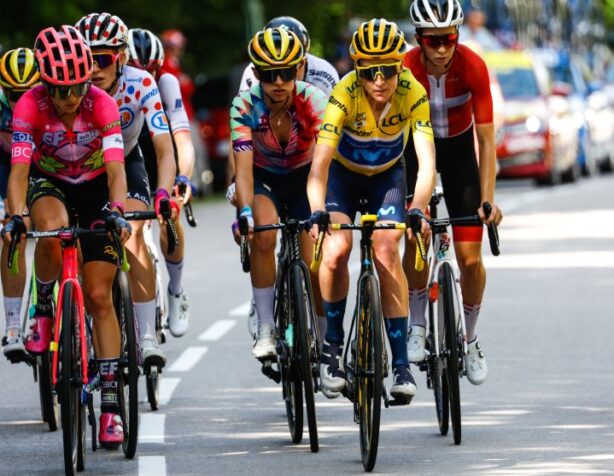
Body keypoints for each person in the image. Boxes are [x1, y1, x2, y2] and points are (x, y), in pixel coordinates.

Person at [3, 25, 131, 447]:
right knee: (53, 231)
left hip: (96, 186)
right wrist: (17, 215)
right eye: (59, 89)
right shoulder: (29, 106)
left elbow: (116, 170)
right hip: (50, 182)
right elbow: (19, 173)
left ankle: (111, 404)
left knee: (98, 296)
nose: (70, 97)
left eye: (77, 85)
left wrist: (117, 211)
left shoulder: (103, 104)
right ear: (45, 83)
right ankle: (43, 305)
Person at [307, 18, 436, 402]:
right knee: (335, 251)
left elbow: (426, 163)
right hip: (342, 180)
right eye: (368, 72)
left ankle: (400, 365)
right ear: (357, 71)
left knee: (385, 249)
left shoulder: (413, 91)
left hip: (387, 179)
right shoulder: (343, 95)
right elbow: (319, 167)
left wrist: (419, 206)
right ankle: (332, 348)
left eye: (388, 71)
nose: (379, 80)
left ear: (401, 66)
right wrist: (317, 211)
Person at [405, 0, 503, 385]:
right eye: (433, 40)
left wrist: (489, 199)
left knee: (470, 260)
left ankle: (471, 337)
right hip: (418, 152)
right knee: (414, 239)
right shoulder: (405, 69)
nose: (442, 48)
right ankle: (417, 325)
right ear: (419, 39)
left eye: (448, 39)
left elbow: (487, 139)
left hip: (462, 154)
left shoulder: (473, 66)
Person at [75, 12, 177, 368]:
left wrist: (163, 192)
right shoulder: (71, 87)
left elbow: (164, 149)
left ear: (120, 57)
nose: (93, 69)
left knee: (133, 233)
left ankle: (147, 336)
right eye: (86, 59)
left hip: (127, 162)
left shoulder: (141, 82)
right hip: (82, 171)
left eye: (102, 59)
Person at [230, 16, 339, 341]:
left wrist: (322, 208)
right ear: (256, 74)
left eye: (287, 73)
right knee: (262, 234)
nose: (278, 82)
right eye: (268, 74)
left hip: (306, 175)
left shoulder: (315, 99)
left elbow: (323, 164)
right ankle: (265, 327)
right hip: (265, 176)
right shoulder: (244, 104)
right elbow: (243, 167)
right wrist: (245, 212)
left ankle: (324, 339)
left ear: (299, 70)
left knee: (314, 258)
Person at [128, 27, 194, 337]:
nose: (143, 78)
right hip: (127, 154)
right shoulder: (113, 84)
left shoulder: (166, 82)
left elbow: (182, 138)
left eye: (150, 72)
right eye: (134, 69)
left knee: (171, 215)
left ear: (158, 68)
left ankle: (176, 290)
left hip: (158, 152)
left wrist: (182, 178)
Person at [0, 47, 39, 358]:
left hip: (40, 169)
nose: (21, 102)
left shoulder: (50, 103)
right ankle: (13, 324)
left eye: (28, 92)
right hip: (6, 170)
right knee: (15, 232)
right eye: (14, 95)